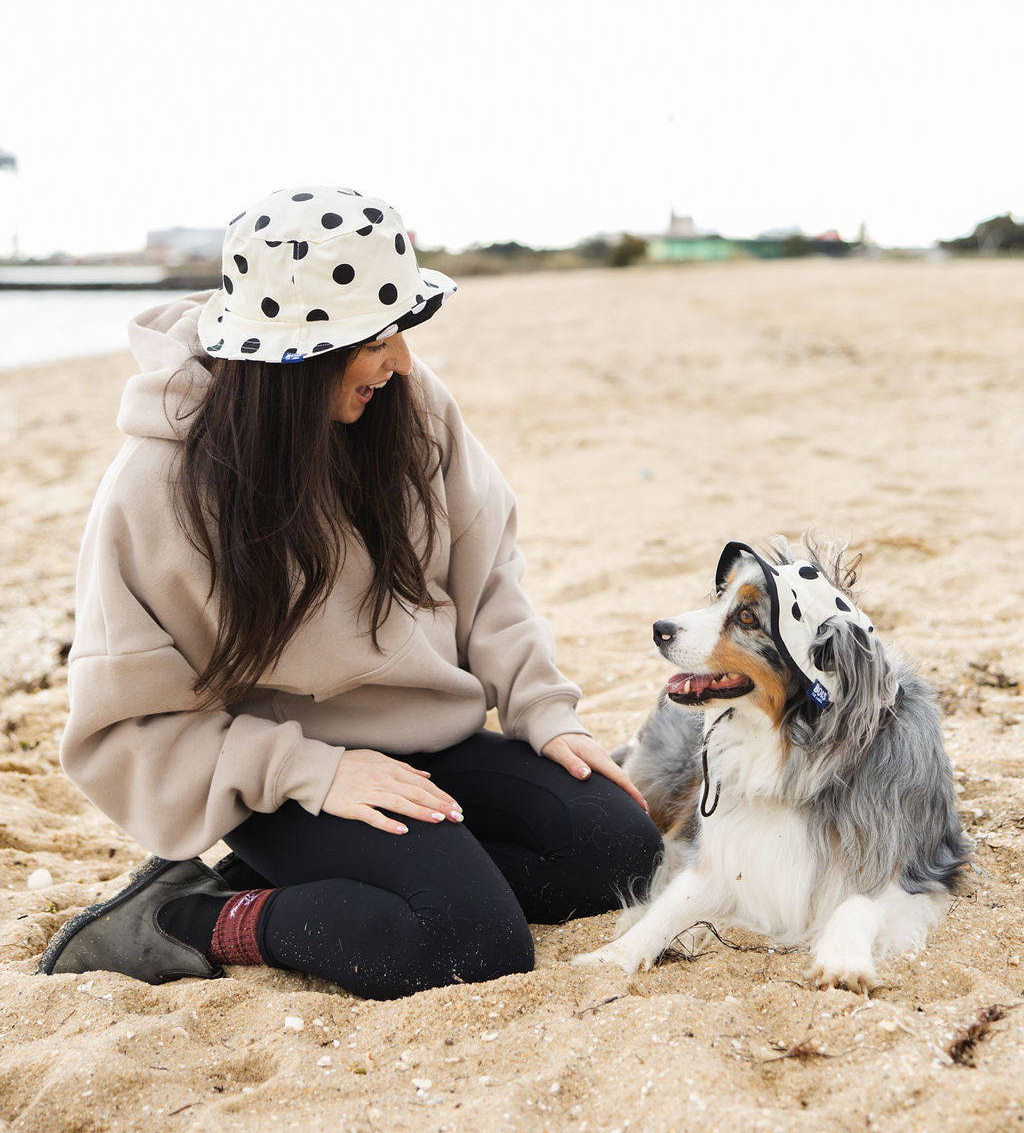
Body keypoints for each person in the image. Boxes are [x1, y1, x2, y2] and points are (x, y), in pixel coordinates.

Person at [39, 185, 661, 999]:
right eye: (376, 337)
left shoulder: (410, 405)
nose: (400, 360)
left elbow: (489, 574)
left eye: (400, 328)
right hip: (286, 777)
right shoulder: (156, 488)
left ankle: (383, 882)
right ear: (295, 357)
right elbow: (129, 724)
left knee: (620, 854)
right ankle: (186, 916)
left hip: (433, 743)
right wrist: (310, 771)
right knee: (469, 944)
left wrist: (544, 710)